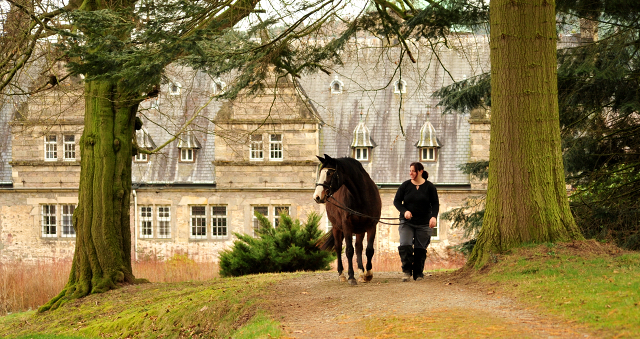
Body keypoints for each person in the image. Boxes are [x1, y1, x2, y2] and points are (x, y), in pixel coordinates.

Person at [393, 162, 439, 281]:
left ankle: (418, 273)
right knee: (405, 244)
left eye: (413, 171)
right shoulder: (405, 186)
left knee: (420, 248)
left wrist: (434, 217)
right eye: (410, 171)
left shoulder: (429, 187)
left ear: (420, 172)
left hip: (424, 223)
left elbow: (435, 204)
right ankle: (407, 272)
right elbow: (397, 201)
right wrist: (405, 211)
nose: (411, 173)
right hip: (407, 222)